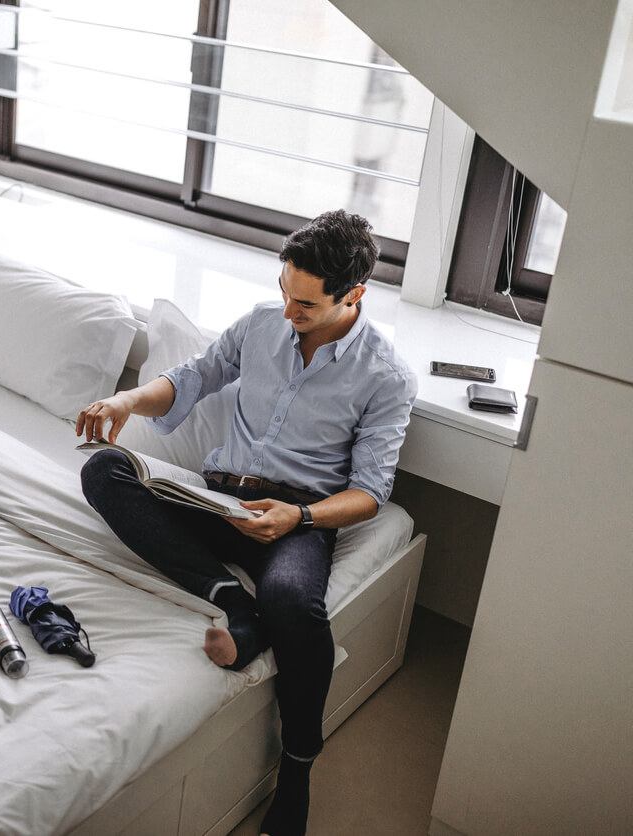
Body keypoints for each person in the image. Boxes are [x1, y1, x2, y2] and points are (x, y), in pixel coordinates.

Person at [76, 209, 417, 836]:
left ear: (355, 295)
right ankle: (235, 603)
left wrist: (302, 515)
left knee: (294, 599)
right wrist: (125, 400)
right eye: (285, 293)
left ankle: (296, 770)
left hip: (298, 517)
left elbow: (371, 492)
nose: (289, 312)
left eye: (306, 306)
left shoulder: (386, 377)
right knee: (104, 473)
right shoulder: (261, 324)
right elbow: (191, 380)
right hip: (220, 498)